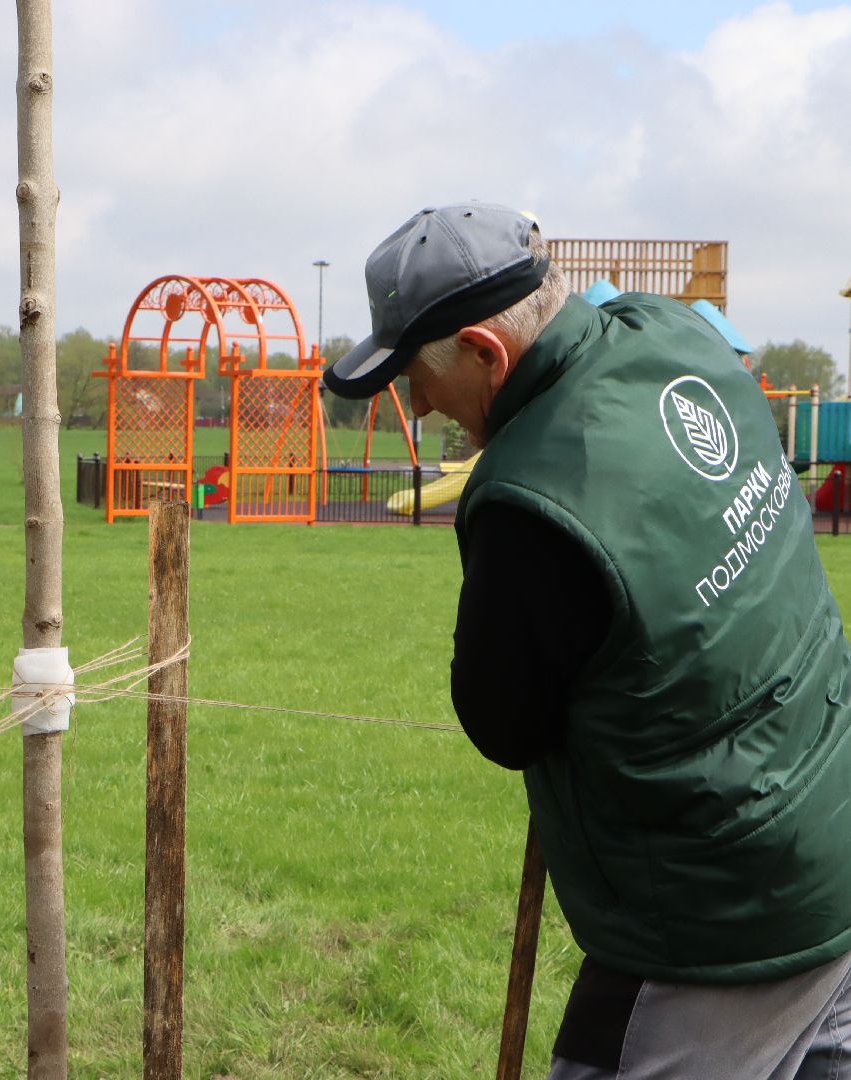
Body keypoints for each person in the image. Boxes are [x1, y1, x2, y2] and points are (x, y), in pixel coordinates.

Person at [325, 202, 851, 1078]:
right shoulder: (681, 335)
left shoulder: (534, 497)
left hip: (716, 922)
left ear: (488, 354)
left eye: (417, 375)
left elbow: (502, 720)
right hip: (831, 834)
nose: (416, 404)